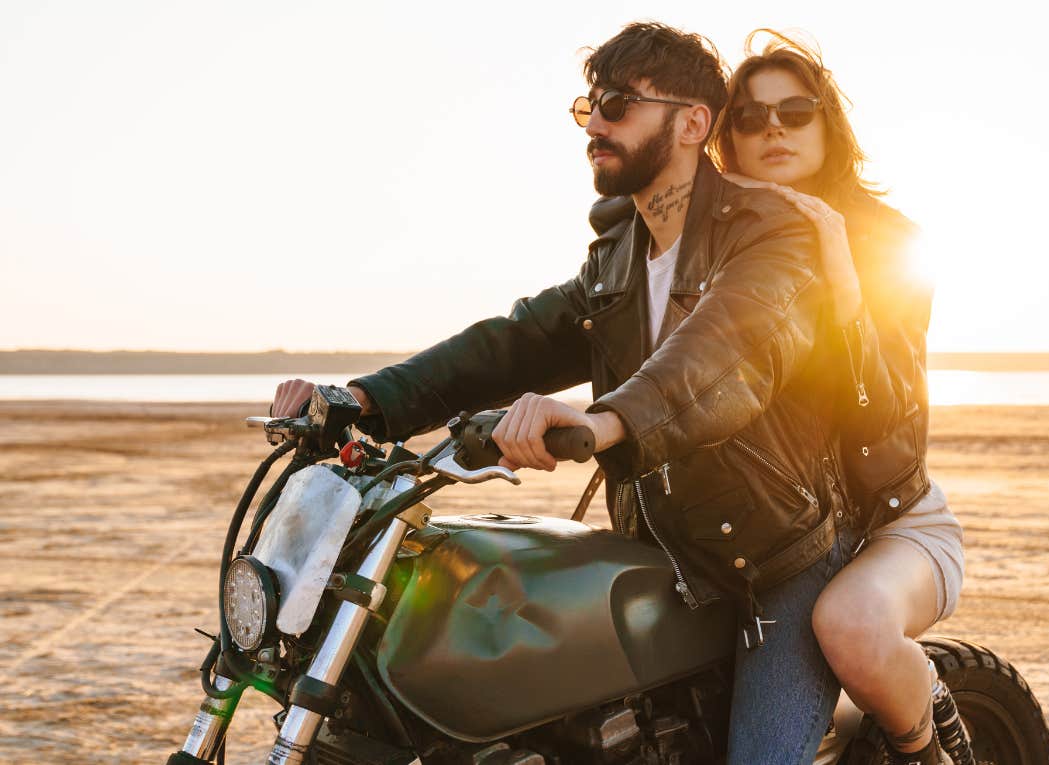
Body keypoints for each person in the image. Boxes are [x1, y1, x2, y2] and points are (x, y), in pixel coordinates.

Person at [273, 22, 856, 765]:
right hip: (665, 553)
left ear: (692, 123)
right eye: (590, 109)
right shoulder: (618, 255)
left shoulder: (771, 232)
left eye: (617, 104)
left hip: (773, 562)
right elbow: (509, 343)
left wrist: (604, 420)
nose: (596, 126)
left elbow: (720, 356)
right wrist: (362, 400)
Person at [712, 31, 965, 765]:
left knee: (849, 621)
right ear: (727, 138)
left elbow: (884, 411)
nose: (774, 130)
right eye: (751, 119)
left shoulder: (889, 242)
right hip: (764, 526)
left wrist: (842, 278)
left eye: (795, 111)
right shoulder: (717, 241)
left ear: (828, 122)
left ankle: (926, 744)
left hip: (887, 520)